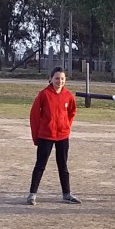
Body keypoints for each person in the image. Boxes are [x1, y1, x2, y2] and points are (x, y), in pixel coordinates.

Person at [28, 67, 80, 205]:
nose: (59, 81)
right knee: (40, 165)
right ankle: (32, 194)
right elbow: (34, 116)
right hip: (46, 135)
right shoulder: (43, 94)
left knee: (63, 165)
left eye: (62, 78)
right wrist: (36, 136)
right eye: (57, 78)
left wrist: (66, 126)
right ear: (51, 79)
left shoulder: (68, 95)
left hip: (62, 135)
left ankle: (67, 194)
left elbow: (72, 112)